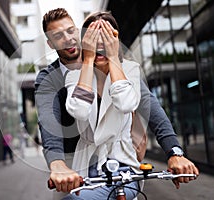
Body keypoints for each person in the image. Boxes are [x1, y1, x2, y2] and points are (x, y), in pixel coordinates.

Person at [35, 8, 199, 199]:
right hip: (71, 162)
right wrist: (57, 163)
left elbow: (150, 107)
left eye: (71, 31)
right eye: (58, 35)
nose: (68, 39)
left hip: (120, 163)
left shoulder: (125, 69)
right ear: (50, 43)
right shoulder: (55, 77)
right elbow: (49, 121)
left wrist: (174, 151)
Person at [63, 12, 141, 199]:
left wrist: (113, 57)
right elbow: (80, 111)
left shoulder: (130, 69)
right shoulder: (75, 75)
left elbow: (126, 103)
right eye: (93, 39)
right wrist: (88, 59)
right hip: (87, 165)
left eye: (106, 38)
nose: (100, 45)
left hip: (123, 165)